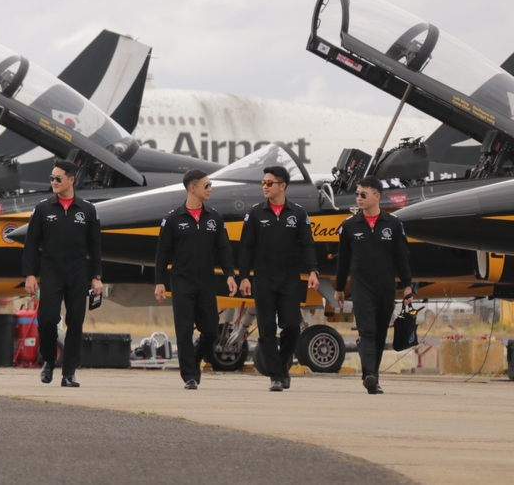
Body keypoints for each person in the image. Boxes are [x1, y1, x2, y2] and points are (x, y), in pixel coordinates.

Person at [21, 159, 103, 388]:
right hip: (51, 273)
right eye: (51, 178)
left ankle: (69, 373)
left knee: (75, 323)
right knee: (47, 320)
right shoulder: (43, 209)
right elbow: (31, 244)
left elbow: (95, 246)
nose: (54, 182)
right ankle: (48, 359)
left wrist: (96, 276)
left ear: (71, 180)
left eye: (58, 178)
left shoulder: (87, 210)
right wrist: (29, 274)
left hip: (78, 274)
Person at [154, 168, 237, 390]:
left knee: (210, 331)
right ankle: (190, 375)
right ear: (193, 188)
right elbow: (162, 254)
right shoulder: (173, 219)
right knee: (184, 330)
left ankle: (195, 358)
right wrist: (160, 282)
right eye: (206, 185)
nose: (210, 189)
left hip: (206, 282)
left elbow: (224, 249)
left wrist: (230, 274)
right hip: (182, 282)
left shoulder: (214, 218)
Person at [238, 165, 318, 392]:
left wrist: (313, 271)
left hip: (290, 279)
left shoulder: (298, 214)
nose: (265, 186)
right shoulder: (255, 213)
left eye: (269, 183)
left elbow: (308, 246)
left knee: (292, 326)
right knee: (266, 329)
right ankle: (276, 376)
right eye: (263, 182)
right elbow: (246, 248)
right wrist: (244, 277)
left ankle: (281, 366)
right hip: (263, 279)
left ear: (282, 186)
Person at [334, 175, 413, 395]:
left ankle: (373, 376)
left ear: (377, 197)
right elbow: (343, 261)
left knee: (379, 333)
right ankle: (369, 375)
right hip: (361, 287)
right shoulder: (349, 226)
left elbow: (402, 258)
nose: (358, 198)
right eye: (356, 194)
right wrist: (340, 288)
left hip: (385, 286)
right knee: (367, 330)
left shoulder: (393, 224)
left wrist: (408, 286)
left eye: (363, 194)